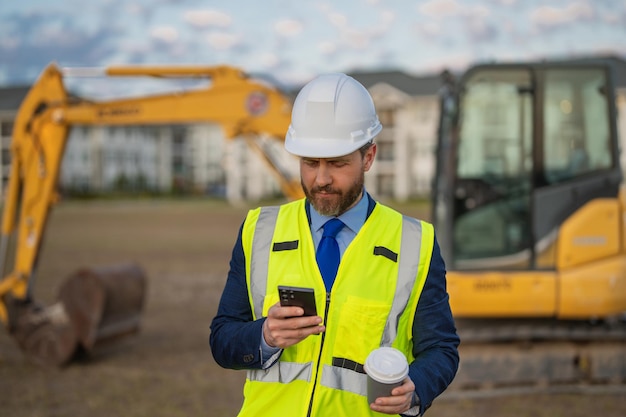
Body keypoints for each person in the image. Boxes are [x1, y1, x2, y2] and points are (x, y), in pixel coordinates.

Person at [210, 73, 460, 416]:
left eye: (338, 163)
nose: (321, 179)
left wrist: (415, 387)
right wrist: (265, 336)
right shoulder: (259, 231)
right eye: (310, 163)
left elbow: (441, 348)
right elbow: (223, 338)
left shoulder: (416, 244)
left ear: (369, 157)